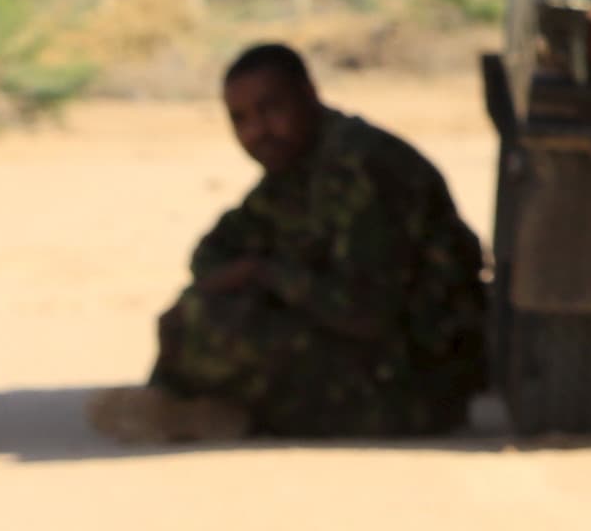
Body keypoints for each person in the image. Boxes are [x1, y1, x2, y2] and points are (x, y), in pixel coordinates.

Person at [85, 41, 486, 442]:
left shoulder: (360, 166)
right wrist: (252, 277)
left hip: (414, 384)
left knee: (216, 328)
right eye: (241, 120)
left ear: (308, 95)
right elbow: (213, 253)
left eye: (272, 109)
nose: (257, 131)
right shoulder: (296, 170)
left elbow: (366, 311)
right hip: (370, 359)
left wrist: (267, 274)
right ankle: (202, 409)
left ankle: (223, 412)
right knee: (194, 316)